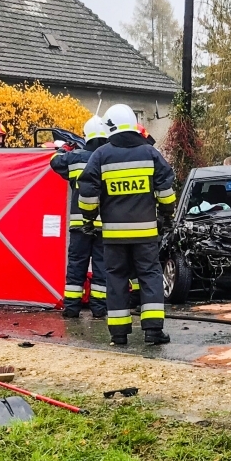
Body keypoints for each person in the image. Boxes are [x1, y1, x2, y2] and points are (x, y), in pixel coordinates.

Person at [77, 103, 177, 346]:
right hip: (146, 234)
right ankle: (153, 331)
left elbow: (88, 193)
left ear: (110, 126)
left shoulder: (101, 155)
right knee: (150, 276)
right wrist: (165, 217)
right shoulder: (151, 154)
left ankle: (119, 334)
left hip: (113, 236)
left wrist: (88, 219)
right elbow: (166, 191)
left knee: (117, 280)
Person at [50, 115, 111, 319]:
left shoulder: (75, 158)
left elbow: (54, 162)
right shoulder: (110, 158)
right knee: (102, 267)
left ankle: (72, 308)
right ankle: (99, 309)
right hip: (104, 225)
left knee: (76, 265)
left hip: (79, 224)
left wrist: (64, 148)